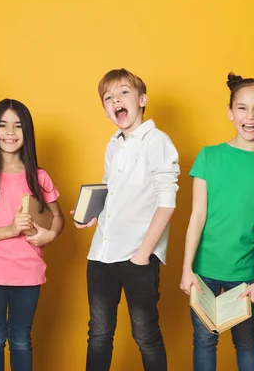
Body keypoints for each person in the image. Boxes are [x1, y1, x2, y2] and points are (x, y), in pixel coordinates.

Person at [179, 72, 254, 371]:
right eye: (242, 107)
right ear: (230, 112)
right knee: (204, 341)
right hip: (203, 272)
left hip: (244, 275)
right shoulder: (208, 157)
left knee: (245, 343)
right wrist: (187, 268)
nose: (249, 116)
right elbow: (197, 215)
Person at [73, 68, 180, 371]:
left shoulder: (156, 141)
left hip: (138, 256)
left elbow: (167, 201)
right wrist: (91, 214)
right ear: (106, 110)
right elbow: (113, 192)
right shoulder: (113, 145)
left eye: (123, 93)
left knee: (145, 334)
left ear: (142, 99)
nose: (115, 100)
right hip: (101, 254)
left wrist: (143, 254)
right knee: (99, 334)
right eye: (108, 97)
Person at [0, 99, 64, 371]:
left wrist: (49, 235)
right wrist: (11, 229)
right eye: (3, 125)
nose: (10, 132)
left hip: (29, 272)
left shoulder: (39, 177)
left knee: (20, 340)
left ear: (26, 132)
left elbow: (58, 218)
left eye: (18, 126)